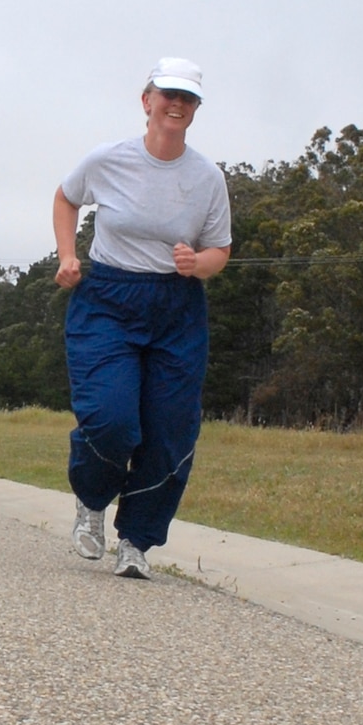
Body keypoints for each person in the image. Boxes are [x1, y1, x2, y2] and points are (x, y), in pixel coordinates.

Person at [53, 58, 231, 579]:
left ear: (195, 109)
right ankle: (91, 504)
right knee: (110, 417)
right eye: (167, 94)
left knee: (169, 430)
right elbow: (66, 198)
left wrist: (196, 265)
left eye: (188, 98)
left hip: (176, 307)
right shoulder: (108, 160)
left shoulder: (206, 178)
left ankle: (136, 540)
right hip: (108, 297)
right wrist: (68, 255)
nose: (176, 105)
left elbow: (219, 249)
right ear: (146, 100)